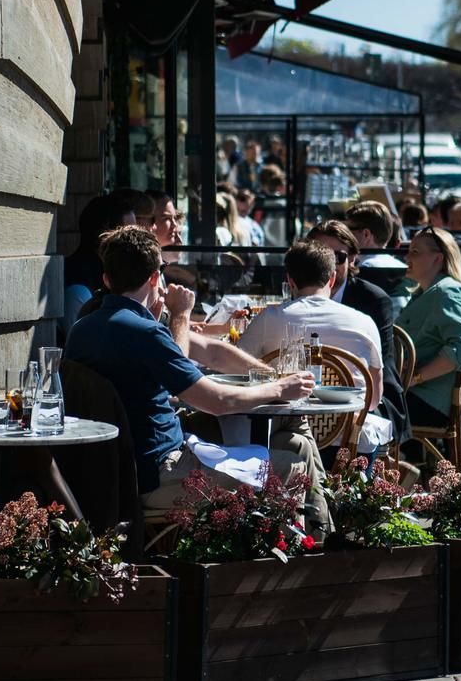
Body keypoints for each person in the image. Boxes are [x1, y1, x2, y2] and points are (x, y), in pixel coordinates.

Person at [64, 227, 329, 532]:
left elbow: (211, 352)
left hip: (108, 473)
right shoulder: (145, 332)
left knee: (279, 449)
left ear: (106, 279)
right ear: (154, 278)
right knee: (292, 466)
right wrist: (279, 387)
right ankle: (295, 565)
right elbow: (217, 402)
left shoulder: (81, 329)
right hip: (160, 473)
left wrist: (270, 377)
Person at [238, 242, 384, 410]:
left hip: (282, 426)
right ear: (332, 279)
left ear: (290, 281)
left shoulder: (269, 317)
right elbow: (373, 400)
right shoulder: (364, 322)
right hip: (350, 430)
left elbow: (237, 369)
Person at [306, 220, 411, 445]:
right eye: (320, 256)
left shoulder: (372, 299)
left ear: (353, 258)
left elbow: (376, 361)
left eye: (338, 257)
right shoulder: (299, 294)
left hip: (368, 394)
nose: (329, 264)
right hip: (309, 394)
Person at [397, 228, 461, 437]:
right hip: (413, 395)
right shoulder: (428, 292)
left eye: (415, 252)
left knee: (360, 412)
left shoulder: (447, 292)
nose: (407, 257)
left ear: (438, 258)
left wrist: (415, 378)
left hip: (426, 400)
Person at [62, 192, 143, 339]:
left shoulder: (112, 276)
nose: (137, 243)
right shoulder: (80, 291)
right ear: (106, 237)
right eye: (129, 235)